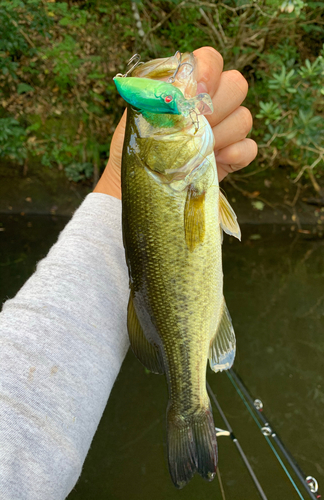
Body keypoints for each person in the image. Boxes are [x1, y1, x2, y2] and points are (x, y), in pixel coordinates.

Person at [0, 47, 257, 500]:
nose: (159, 114)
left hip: (177, 203)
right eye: (150, 119)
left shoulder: (165, 169)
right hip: (181, 203)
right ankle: (189, 402)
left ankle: (188, 398)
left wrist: (123, 188)